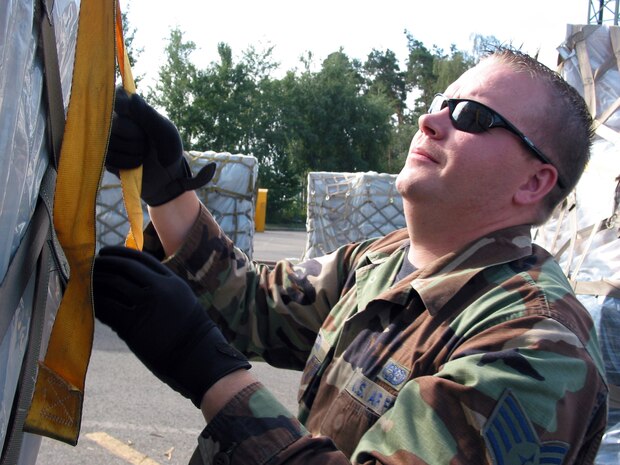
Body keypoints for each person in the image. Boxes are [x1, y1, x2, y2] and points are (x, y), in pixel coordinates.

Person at [94, 47, 608, 465]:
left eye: (472, 116)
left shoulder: (538, 347)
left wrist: (214, 377)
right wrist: (168, 187)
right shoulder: (383, 259)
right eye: (439, 102)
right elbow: (254, 304)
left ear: (534, 180)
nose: (430, 121)